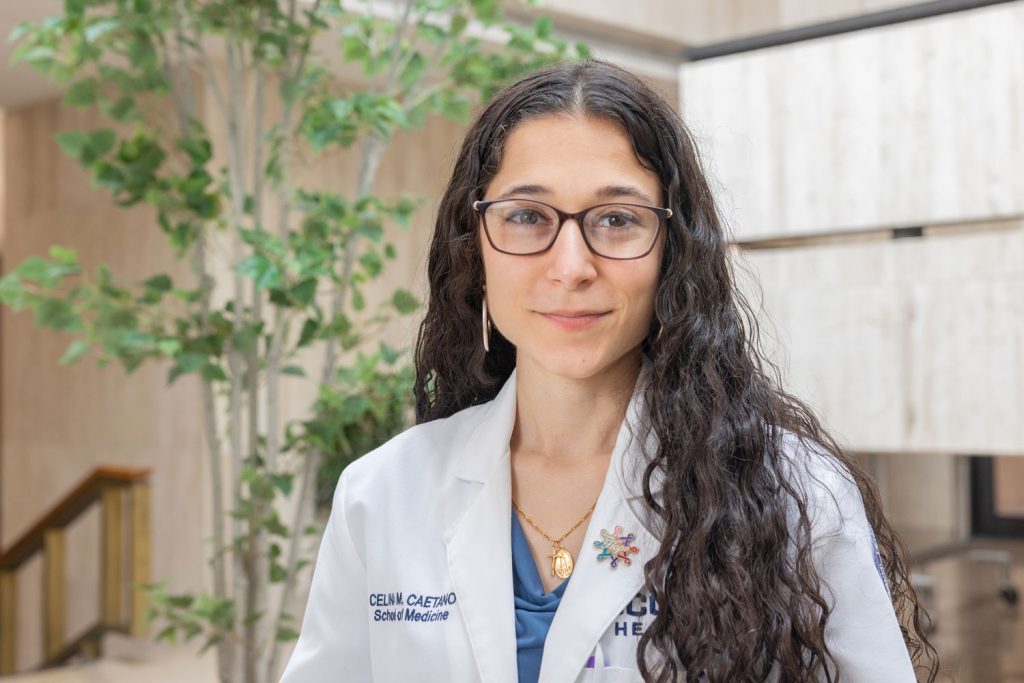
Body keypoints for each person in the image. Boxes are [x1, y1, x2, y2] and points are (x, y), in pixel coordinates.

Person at [280, 59, 938, 683]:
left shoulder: (797, 494)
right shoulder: (380, 495)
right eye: (528, 216)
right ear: (473, 242)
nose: (571, 266)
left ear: (673, 251)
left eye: (617, 219)